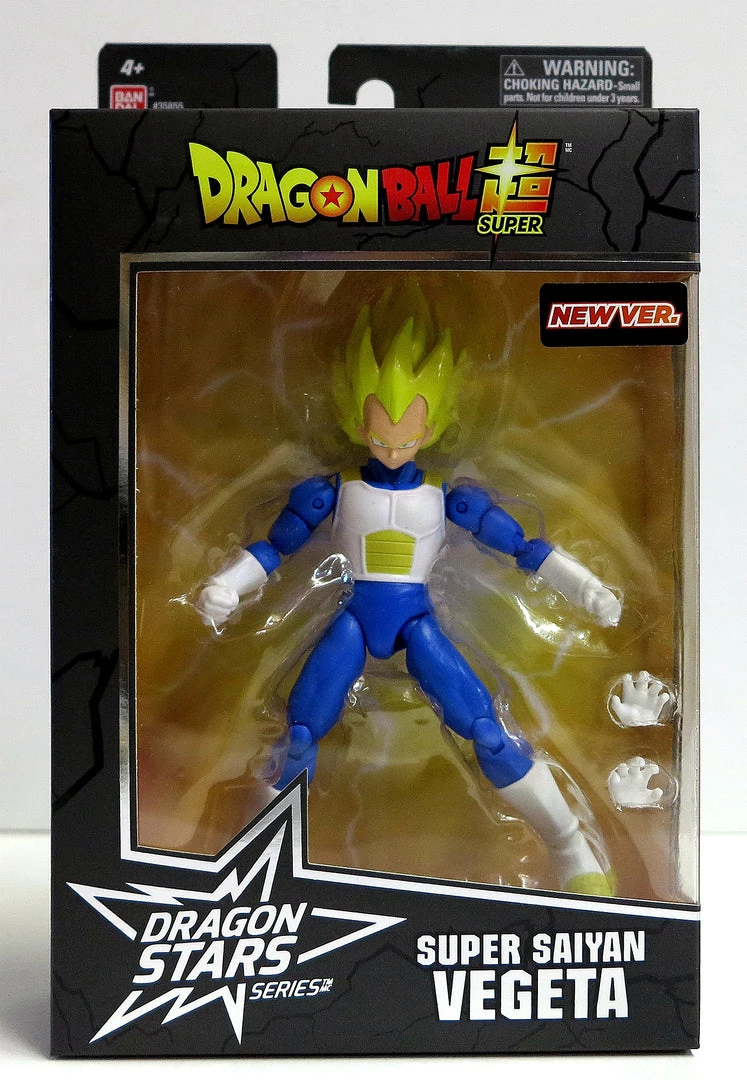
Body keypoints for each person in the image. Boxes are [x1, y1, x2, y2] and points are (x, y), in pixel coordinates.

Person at [196, 287, 621, 895]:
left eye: (406, 438)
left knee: (487, 732)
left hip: (417, 623)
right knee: (300, 737)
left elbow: (523, 548)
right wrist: (227, 585)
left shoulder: (451, 498)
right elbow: (275, 546)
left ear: (435, 426)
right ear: (355, 421)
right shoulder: (329, 491)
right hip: (352, 620)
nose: (392, 450)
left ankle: (569, 845)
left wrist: (586, 588)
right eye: (381, 437)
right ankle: (252, 865)